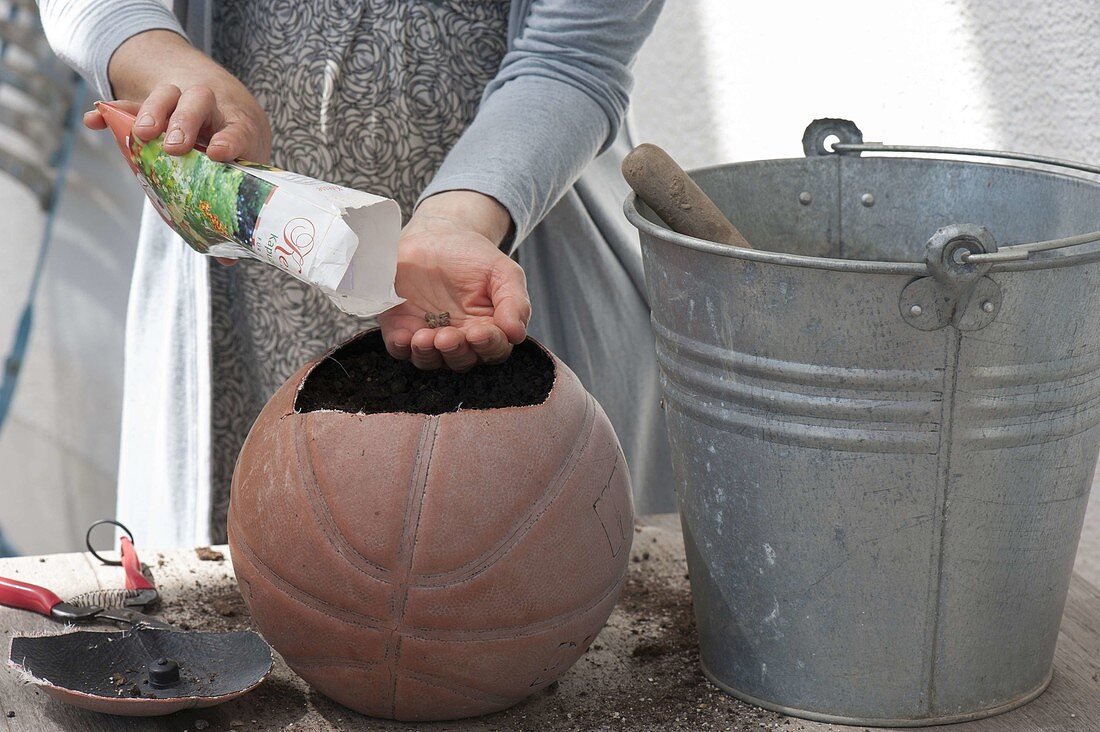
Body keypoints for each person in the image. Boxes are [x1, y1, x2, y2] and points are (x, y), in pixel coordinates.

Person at [40, 0, 674, 546]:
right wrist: (167, 65)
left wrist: (459, 221)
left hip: (491, 269)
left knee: (519, 577)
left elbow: (572, 54)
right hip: (238, 320)